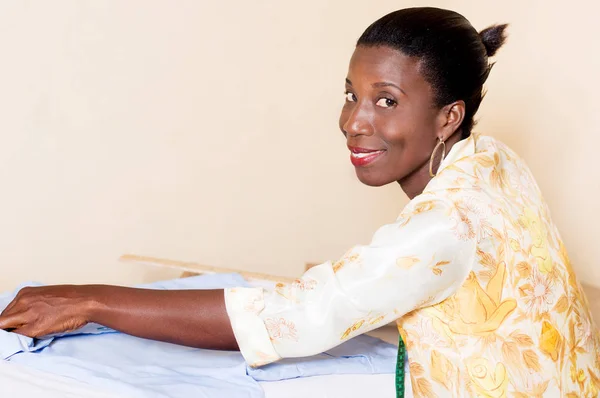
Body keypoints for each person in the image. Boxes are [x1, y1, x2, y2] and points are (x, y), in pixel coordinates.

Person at [1, 7, 599, 397]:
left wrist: (90, 300)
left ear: (449, 116)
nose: (353, 122)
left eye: (385, 100)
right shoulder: (493, 162)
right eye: (351, 94)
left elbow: (291, 317)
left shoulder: (446, 225)